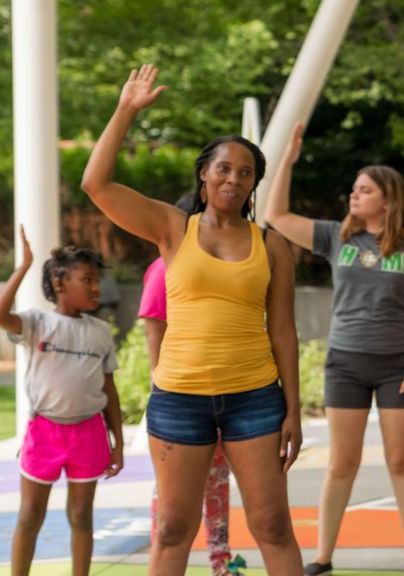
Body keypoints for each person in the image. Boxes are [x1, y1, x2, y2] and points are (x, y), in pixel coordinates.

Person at [81, 65, 302, 576]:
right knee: (174, 529)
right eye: (224, 168)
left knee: (273, 527)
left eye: (245, 172)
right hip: (180, 400)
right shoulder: (173, 228)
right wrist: (126, 110)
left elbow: (284, 332)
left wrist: (292, 409)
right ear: (204, 173)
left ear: (254, 184)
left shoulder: (272, 245)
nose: (233, 178)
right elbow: (96, 183)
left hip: (256, 400)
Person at [267, 122, 404, 576]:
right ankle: (323, 557)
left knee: (402, 461)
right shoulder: (336, 237)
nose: (353, 195)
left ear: (387, 198)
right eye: (353, 189)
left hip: (396, 366)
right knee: (342, 463)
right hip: (344, 363)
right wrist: (287, 160)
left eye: (363, 190)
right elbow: (277, 217)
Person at [0, 227, 123, 576]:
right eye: (88, 280)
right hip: (45, 432)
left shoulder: (99, 332)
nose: (96, 288)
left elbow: (109, 389)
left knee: (82, 516)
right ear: (60, 284)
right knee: (30, 515)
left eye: (97, 280)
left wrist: (118, 443)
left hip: (90, 433)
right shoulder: (37, 323)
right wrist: (24, 267)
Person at [137, 193, 235, 576]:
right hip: (180, 400)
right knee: (172, 498)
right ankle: (161, 559)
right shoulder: (165, 267)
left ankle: (221, 564)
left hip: (225, 396)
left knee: (217, 485)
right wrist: (163, 386)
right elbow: (153, 328)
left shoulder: (222, 264)